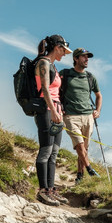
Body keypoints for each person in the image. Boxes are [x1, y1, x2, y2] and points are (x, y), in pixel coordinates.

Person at [33, 34, 72, 206]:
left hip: (56, 111)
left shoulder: (53, 67)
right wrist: (53, 111)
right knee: (46, 150)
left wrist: (60, 111)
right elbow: (45, 90)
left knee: (54, 152)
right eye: (63, 50)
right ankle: (43, 190)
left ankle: (51, 189)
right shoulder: (43, 63)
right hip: (46, 111)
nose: (64, 54)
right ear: (57, 47)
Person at [59, 47, 103, 184]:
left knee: (84, 147)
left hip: (88, 116)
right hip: (70, 116)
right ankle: (90, 169)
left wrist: (98, 110)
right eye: (83, 57)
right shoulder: (65, 74)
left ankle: (80, 175)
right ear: (75, 58)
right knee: (79, 145)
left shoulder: (90, 77)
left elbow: (98, 95)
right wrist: (59, 107)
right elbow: (55, 91)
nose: (86, 59)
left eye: (87, 57)